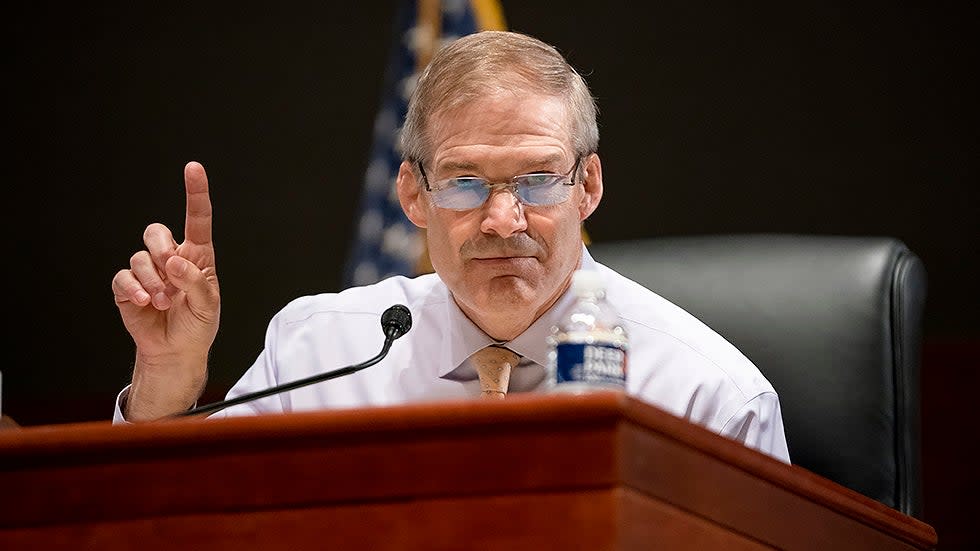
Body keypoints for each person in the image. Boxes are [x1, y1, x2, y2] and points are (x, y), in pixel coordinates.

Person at [110, 30, 790, 462]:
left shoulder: (711, 398)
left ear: (588, 186)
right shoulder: (316, 352)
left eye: (536, 180)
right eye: (465, 182)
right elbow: (175, 523)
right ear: (412, 194)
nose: (502, 218)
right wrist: (166, 381)